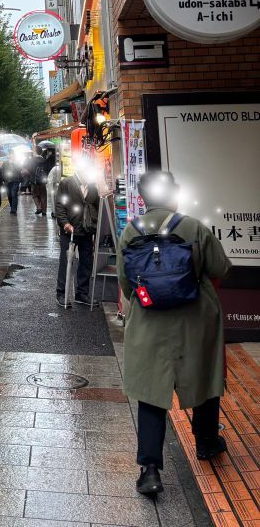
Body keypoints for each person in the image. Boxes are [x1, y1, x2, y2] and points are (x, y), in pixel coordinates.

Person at [116, 170, 231, 497]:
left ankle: (150, 470)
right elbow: (220, 268)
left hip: (149, 323)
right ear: (172, 194)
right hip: (194, 320)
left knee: (151, 392)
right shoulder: (193, 227)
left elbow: (127, 285)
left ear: (143, 198)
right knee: (204, 377)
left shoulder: (130, 231)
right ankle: (207, 441)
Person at [54, 156, 99, 307]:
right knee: (66, 262)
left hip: (87, 230)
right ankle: (61, 293)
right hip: (69, 230)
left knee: (86, 262)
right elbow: (59, 205)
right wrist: (65, 223)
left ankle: (82, 293)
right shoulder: (66, 183)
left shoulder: (93, 186)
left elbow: (98, 205)